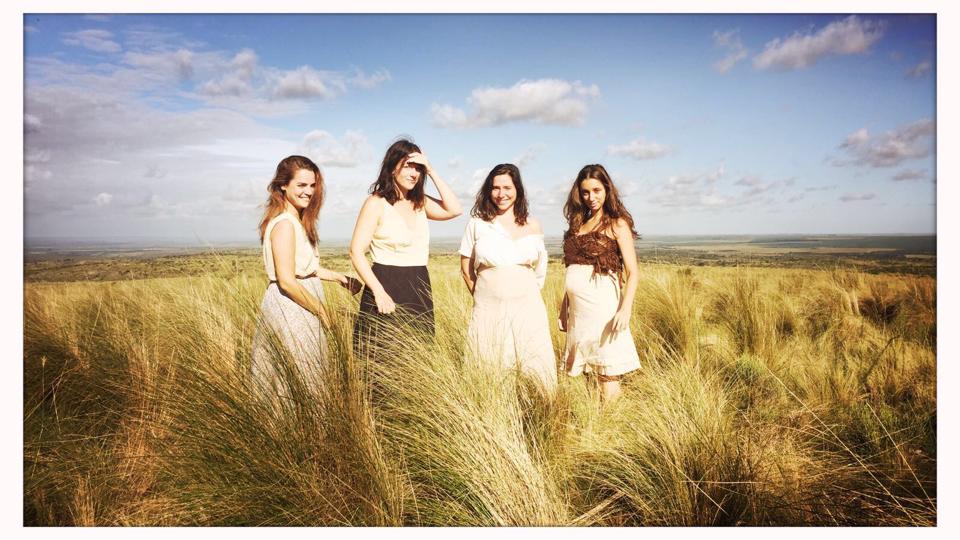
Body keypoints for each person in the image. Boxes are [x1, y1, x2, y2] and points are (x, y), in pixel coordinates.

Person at [251, 155, 361, 396]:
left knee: (306, 373)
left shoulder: (296, 221)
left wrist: (340, 278)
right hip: (293, 306)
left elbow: (304, 268)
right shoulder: (285, 225)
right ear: (283, 185)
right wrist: (325, 313)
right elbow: (288, 282)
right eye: (301, 185)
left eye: (312, 185)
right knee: (297, 377)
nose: (308, 191)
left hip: (302, 302)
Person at [350, 138, 462, 358]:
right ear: (392, 168)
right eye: (408, 166)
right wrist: (379, 292)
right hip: (385, 282)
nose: (414, 173)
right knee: (381, 356)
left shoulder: (421, 202)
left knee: (418, 356)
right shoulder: (376, 203)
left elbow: (455, 209)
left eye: (418, 168)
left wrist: (432, 170)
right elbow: (356, 251)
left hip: (418, 284)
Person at [459, 164, 557, 390]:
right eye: (495, 188)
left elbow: (540, 269)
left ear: (518, 190)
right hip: (488, 308)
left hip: (528, 306)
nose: (501, 194)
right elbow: (466, 268)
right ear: (488, 191)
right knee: (488, 359)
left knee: (533, 359)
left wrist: (522, 293)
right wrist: (484, 296)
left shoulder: (533, 225)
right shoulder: (477, 224)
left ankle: (538, 406)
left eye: (507, 187)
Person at [558, 164, 641, 401]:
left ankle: (611, 426)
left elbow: (633, 272)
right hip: (579, 312)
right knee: (585, 368)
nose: (591, 197)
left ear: (607, 189)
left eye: (596, 190)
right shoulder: (577, 224)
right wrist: (565, 306)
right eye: (585, 192)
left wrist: (626, 309)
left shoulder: (617, 224)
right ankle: (594, 424)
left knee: (607, 371)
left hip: (604, 308)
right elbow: (573, 268)